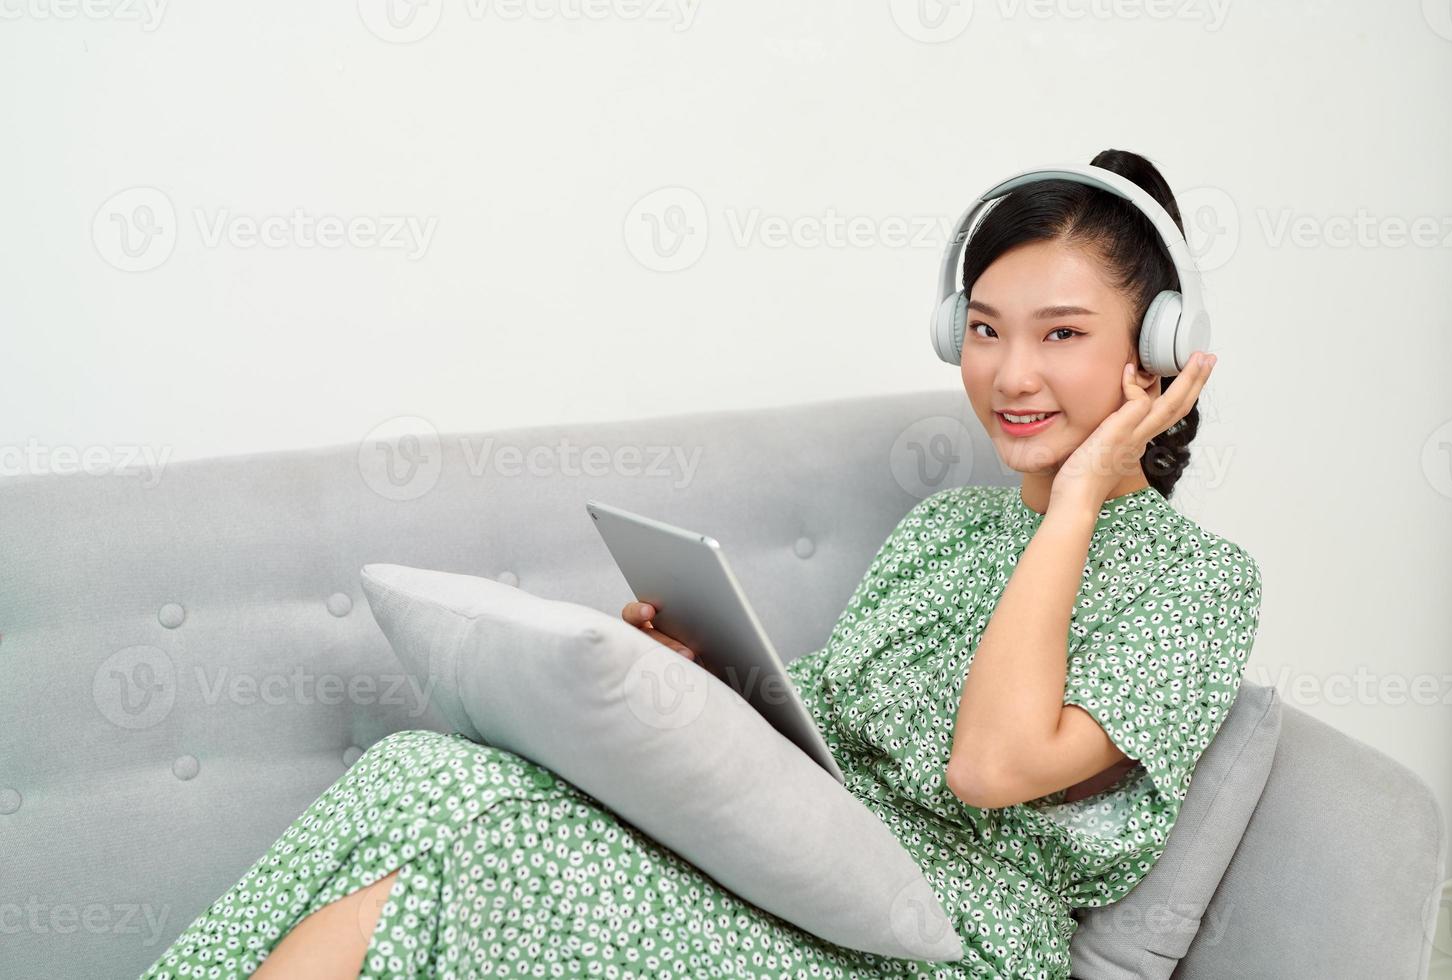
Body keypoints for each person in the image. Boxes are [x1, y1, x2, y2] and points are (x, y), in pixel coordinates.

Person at [137, 148, 1264, 979]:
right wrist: (692, 682)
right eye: (983, 328)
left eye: (1061, 333)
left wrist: (1075, 502)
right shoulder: (945, 533)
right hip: (789, 871)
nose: (1011, 372)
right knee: (426, 774)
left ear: (1155, 352)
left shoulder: (1198, 583)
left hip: (926, 945)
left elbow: (990, 763)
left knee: (465, 831)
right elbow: (814, 732)